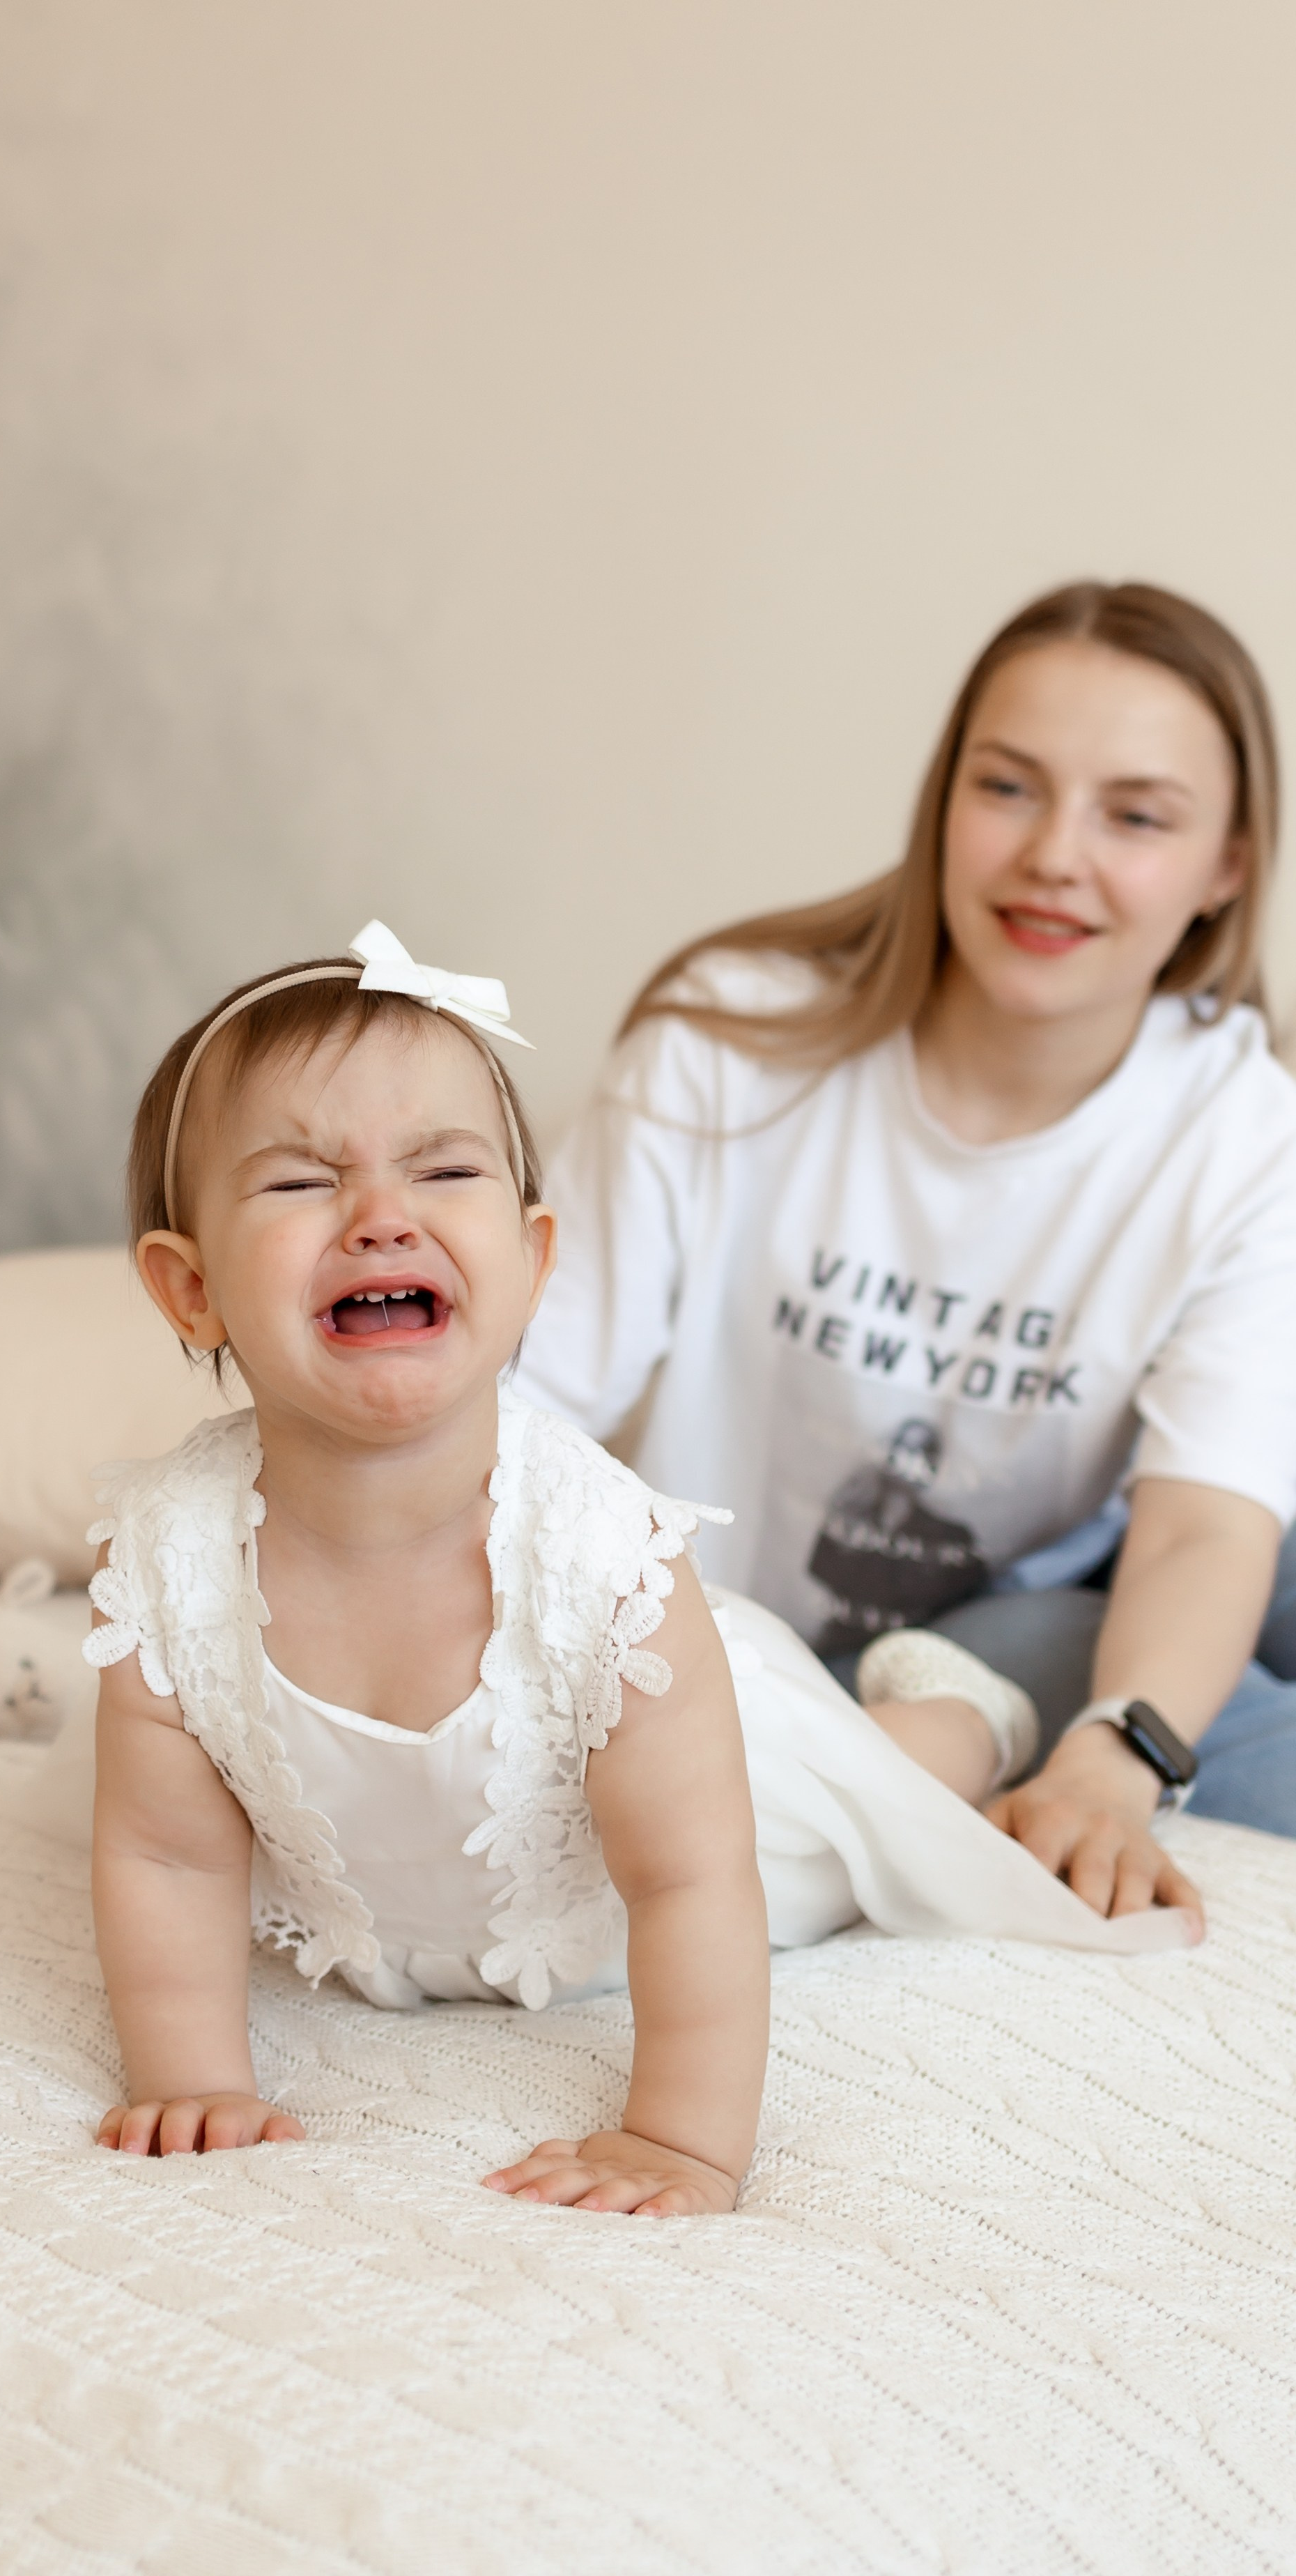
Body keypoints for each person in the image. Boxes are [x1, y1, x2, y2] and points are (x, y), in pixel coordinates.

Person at [79, 923, 1192, 2217]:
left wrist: (683, 2139)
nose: (383, 1217)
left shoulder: (605, 1567)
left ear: (536, 1261)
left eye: (443, 1169)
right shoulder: (171, 1564)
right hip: (406, 1916)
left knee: (871, 1803)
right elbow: (166, 1859)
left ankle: (966, 1710)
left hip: (691, 1824)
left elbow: (690, 1881)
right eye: (298, 1185)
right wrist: (193, 2076)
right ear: (189, 1288)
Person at [518, 579, 1296, 1920]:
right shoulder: (725, 1046)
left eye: (1136, 816)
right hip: (906, 1644)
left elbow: (1205, 1525)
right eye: (1008, 788)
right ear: (943, 802)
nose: (1056, 854)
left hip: (1106, 1586)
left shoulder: (1244, 1129)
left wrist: (1122, 1764)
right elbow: (524, 1404)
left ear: (1228, 865)